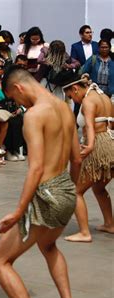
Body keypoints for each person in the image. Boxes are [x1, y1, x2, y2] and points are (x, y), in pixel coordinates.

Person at [0, 66, 81, 298]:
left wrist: (19, 210)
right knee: (48, 246)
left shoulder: (34, 115)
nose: (16, 102)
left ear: (18, 88)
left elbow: (37, 167)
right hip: (66, 191)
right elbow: (77, 159)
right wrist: (70, 191)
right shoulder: (65, 108)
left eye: (13, 97)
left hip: (47, 195)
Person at [59, 72, 114, 242]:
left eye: (70, 96)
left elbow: (89, 125)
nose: (72, 100)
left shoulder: (88, 101)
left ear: (75, 88)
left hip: (99, 146)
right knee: (98, 188)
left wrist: (89, 146)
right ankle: (110, 224)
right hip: (111, 142)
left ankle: (84, 233)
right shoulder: (103, 95)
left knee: (76, 191)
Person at [0, 57, 25, 162]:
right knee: (9, 121)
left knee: (19, 120)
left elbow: (15, 95)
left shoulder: (7, 80)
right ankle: (8, 150)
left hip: (11, 107)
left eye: (2, 67)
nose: (0, 69)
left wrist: (19, 108)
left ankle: (15, 149)